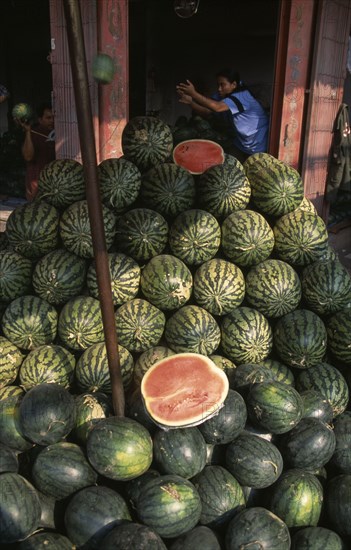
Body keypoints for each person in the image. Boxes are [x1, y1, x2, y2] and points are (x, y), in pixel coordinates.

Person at [176, 68, 269, 162]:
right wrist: (190, 102)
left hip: (257, 146)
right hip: (241, 144)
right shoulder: (226, 97)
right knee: (224, 167)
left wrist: (194, 94)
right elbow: (207, 112)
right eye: (218, 85)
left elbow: (217, 107)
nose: (219, 89)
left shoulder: (242, 96)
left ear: (233, 84)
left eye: (222, 85)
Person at [16, 102, 55, 201]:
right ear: (40, 120)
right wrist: (28, 132)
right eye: (48, 118)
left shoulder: (60, 133)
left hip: (55, 187)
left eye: (54, 117)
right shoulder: (34, 134)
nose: (52, 121)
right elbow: (28, 156)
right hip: (36, 189)